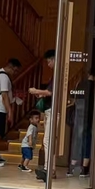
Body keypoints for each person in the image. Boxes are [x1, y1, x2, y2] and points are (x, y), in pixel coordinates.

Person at [0, 58, 21, 166]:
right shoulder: (4, 77)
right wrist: (9, 111)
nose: (15, 74)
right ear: (12, 67)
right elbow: (4, 96)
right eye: (15, 71)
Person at [29, 49, 55, 181]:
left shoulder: (57, 74)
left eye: (49, 61)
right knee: (49, 140)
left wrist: (36, 91)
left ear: (54, 59)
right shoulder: (57, 74)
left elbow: (50, 92)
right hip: (51, 110)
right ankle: (50, 168)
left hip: (53, 110)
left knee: (47, 140)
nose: (48, 64)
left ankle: (48, 169)